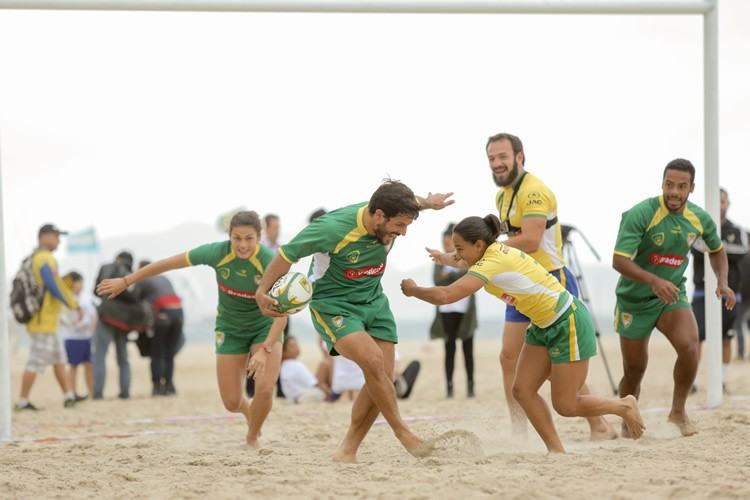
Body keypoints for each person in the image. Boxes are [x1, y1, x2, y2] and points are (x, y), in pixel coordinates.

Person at [401, 215, 644, 453]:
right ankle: (556, 451)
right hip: (542, 325)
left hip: (567, 322)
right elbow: (461, 261)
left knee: (566, 405)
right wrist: (443, 257)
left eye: (459, 248)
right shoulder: (489, 251)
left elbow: (447, 295)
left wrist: (414, 291)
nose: (458, 254)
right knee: (523, 390)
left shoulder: (491, 262)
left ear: (478, 245)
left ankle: (623, 405)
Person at [255, 180, 453, 462]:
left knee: (383, 376)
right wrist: (262, 290)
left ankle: (347, 450)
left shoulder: (393, 212)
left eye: (407, 225)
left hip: (374, 301)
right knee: (373, 362)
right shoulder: (331, 229)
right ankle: (403, 433)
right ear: (379, 215)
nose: (403, 232)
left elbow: (413, 202)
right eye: (399, 225)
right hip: (334, 306)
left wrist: (428, 202)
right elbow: (287, 255)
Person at [96, 211, 287, 448]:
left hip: (265, 326)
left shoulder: (271, 261)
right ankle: (250, 413)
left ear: (259, 237)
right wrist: (126, 281)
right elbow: (167, 264)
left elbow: (283, 312)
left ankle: (251, 437)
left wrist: (264, 349)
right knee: (231, 402)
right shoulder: (217, 253)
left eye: (249, 238)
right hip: (230, 328)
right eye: (237, 238)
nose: (242, 245)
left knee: (266, 389)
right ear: (229, 236)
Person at [486, 132, 614, 439]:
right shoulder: (503, 196)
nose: (496, 164)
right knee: (508, 357)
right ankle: (520, 432)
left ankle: (601, 423)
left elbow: (530, 240)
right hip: (520, 284)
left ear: (520, 157)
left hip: (550, 282)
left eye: (502, 157)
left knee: (558, 361)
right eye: (491, 159)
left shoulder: (534, 191)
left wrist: (488, 248)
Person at [612, 159, 735, 437]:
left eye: (681, 186)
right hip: (635, 300)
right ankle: (627, 417)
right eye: (669, 185)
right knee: (634, 370)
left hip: (671, 295)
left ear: (691, 188)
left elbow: (717, 249)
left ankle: (678, 413)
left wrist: (723, 282)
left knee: (690, 345)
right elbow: (618, 261)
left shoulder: (699, 218)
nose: (674, 192)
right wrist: (654, 281)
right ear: (662, 184)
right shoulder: (641, 213)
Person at [15, 224, 81, 410]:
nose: (59, 241)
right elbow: (52, 284)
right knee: (35, 361)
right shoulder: (44, 258)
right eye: (56, 236)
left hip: (47, 321)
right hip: (42, 320)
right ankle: (22, 401)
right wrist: (72, 305)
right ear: (44, 237)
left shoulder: (36, 257)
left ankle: (69, 396)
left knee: (59, 358)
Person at [691, 188, 748, 391]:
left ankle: (721, 381)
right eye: (716, 201)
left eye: (722, 201)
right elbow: (695, 250)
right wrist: (720, 249)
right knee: (696, 338)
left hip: (731, 293)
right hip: (701, 292)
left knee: (726, 338)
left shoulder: (737, 230)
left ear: (728, 204)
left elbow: (742, 251)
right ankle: (693, 382)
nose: (719, 205)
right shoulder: (697, 228)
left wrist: (715, 248)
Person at [430, 222, 477, 399]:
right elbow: (437, 281)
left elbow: (470, 276)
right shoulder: (439, 261)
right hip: (446, 310)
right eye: (444, 243)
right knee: (449, 350)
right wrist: (453, 277)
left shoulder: (465, 258)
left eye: (448, 243)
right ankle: (449, 387)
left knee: (468, 350)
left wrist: (448, 276)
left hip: (465, 311)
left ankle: (471, 387)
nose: (446, 246)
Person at [93, 251, 146, 400]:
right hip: (123, 322)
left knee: (100, 355)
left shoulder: (105, 267)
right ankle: (125, 392)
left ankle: (97, 393)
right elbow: (137, 299)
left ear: (117, 258)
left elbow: (95, 291)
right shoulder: (132, 275)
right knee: (123, 358)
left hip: (106, 317)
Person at [133, 260, 185, 396]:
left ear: (141, 269)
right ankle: (169, 386)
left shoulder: (142, 280)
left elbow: (134, 301)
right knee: (170, 353)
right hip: (179, 315)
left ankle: (157, 387)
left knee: (157, 353)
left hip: (163, 315)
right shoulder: (164, 277)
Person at [60, 271, 97, 401]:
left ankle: (92, 392)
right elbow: (61, 317)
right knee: (72, 365)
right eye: (77, 283)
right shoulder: (66, 297)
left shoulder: (86, 297)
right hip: (72, 337)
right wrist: (72, 324)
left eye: (81, 283)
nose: (80, 286)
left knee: (89, 365)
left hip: (86, 336)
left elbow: (93, 316)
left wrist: (92, 331)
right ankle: (72, 392)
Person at [279, 335, 330, 404]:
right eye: (292, 347)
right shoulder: (296, 365)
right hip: (302, 397)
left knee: (326, 363)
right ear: (283, 352)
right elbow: (315, 383)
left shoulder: (284, 366)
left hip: (291, 398)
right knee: (324, 364)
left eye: (297, 345)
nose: (297, 348)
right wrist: (329, 393)